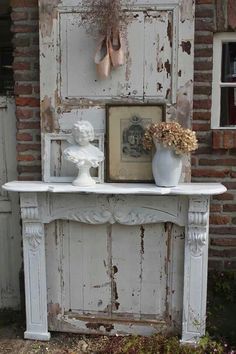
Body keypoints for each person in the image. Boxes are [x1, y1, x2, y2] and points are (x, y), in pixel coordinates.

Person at [64, 120, 104, 186]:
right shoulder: (70, 151)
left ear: (89, 136)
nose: (79, 140)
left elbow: (100, 157)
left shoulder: (97, 152)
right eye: (77, 137)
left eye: (83, 137)